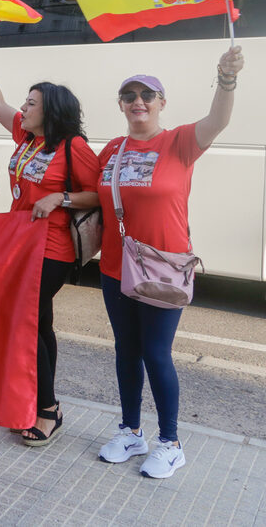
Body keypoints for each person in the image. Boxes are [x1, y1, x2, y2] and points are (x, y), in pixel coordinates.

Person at [94, 46, 243, 479]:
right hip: (115, 267)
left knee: (156, 354)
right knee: (126, 351)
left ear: (162, 102)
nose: (138, 101)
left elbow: (218, 119)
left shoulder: (179, 142)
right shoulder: (112, 150)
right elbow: (93, 195)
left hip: (163, 269)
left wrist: (227, 78)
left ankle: (170, 442)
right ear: (120, 104)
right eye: (129, 95)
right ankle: (131, 431)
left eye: (147, 94)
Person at [0, 34, 100, 445]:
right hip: (20, 243)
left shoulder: (74, 147)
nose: (22, 109)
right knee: (39, 324)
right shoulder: (25, 137)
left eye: (30, 104)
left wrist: (60, 198)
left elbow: (98, 195)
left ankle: (47, 409)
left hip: (53, 249)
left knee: (25, 322)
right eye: (24, 103)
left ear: (51, 111)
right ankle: (41, 403)